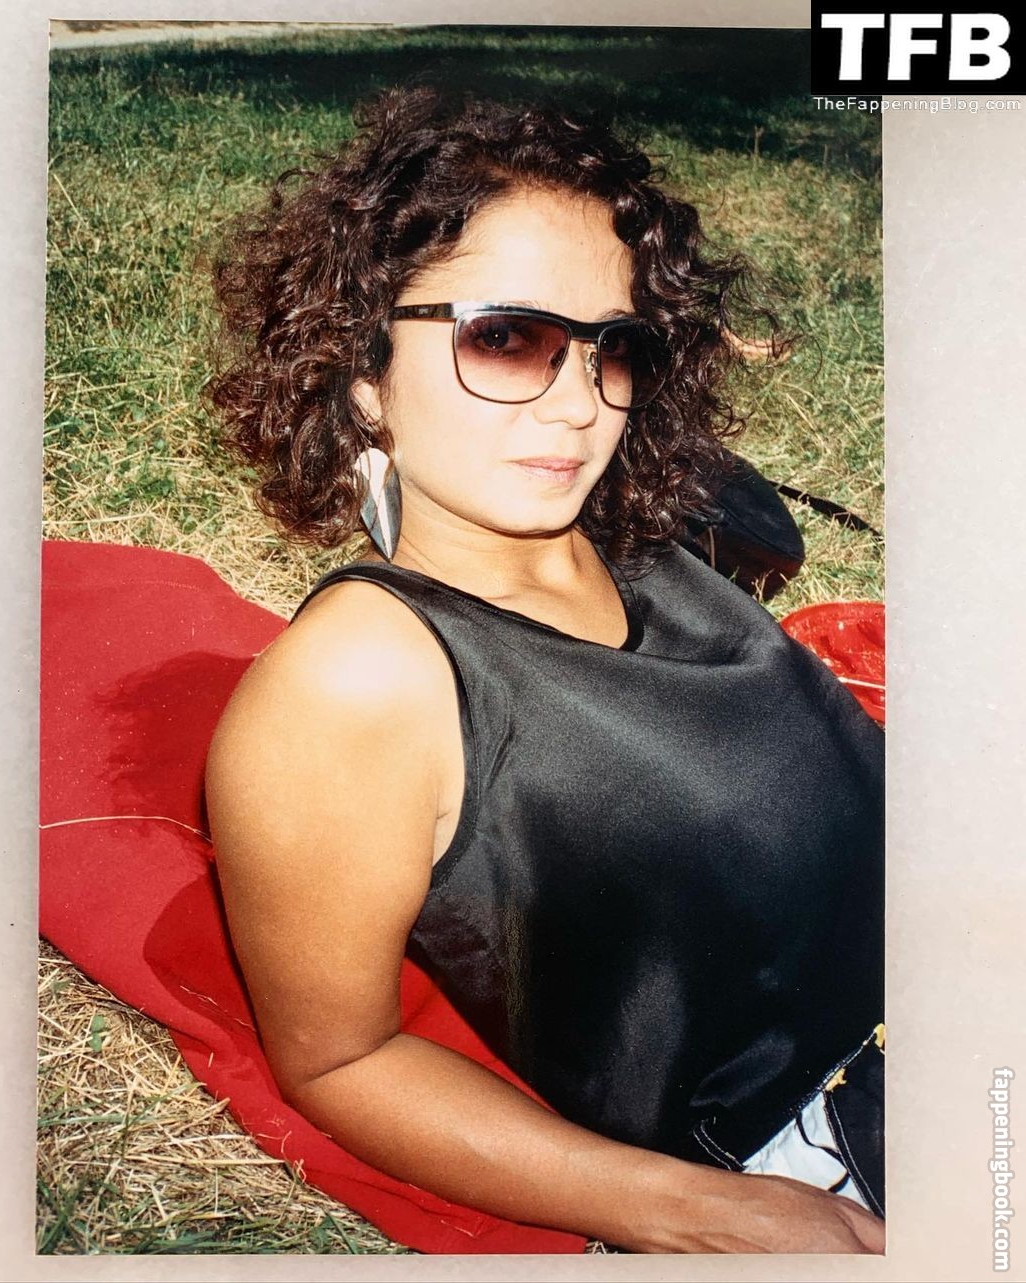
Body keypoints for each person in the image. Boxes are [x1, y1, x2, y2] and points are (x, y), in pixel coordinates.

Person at [202, 85, 885, 1254]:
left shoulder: (638, 539)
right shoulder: (365, 677)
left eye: (619, 347)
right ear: (361, 366)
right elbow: (341, 1056)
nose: (578, 405)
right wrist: (702, 1213)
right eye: (508, 338)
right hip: (836, 1138)